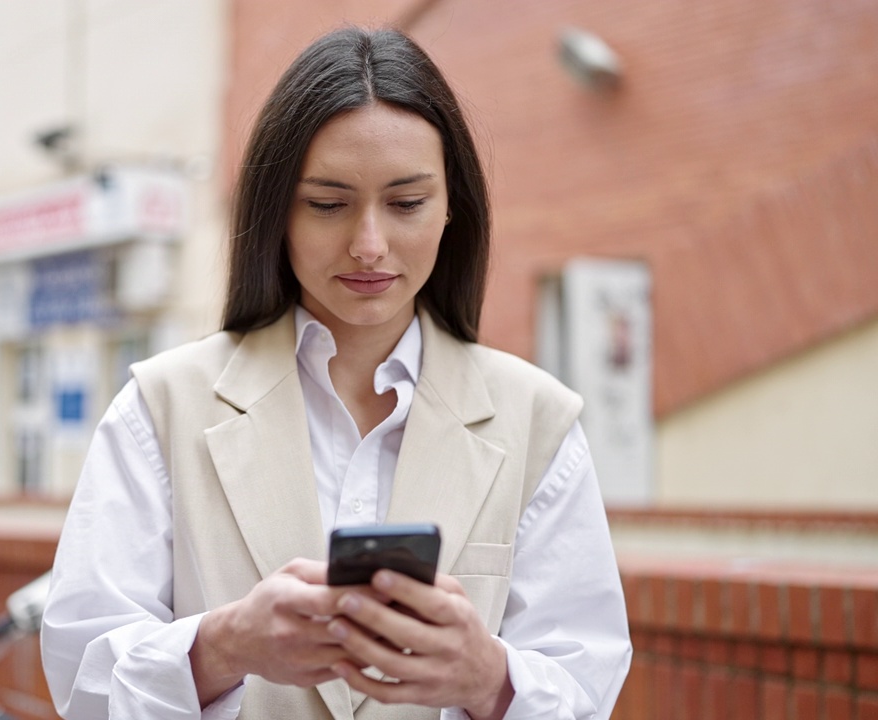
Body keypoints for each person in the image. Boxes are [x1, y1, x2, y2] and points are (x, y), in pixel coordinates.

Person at [41, 26, 632, 720]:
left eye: (407, 203)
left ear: (452, 210)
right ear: (276, 212)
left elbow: (585, 688)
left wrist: (488, 679)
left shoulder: (536, 420)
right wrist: (223, 647)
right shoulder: (163, 407)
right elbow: (84, 680)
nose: (369, 244)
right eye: (328, 203)